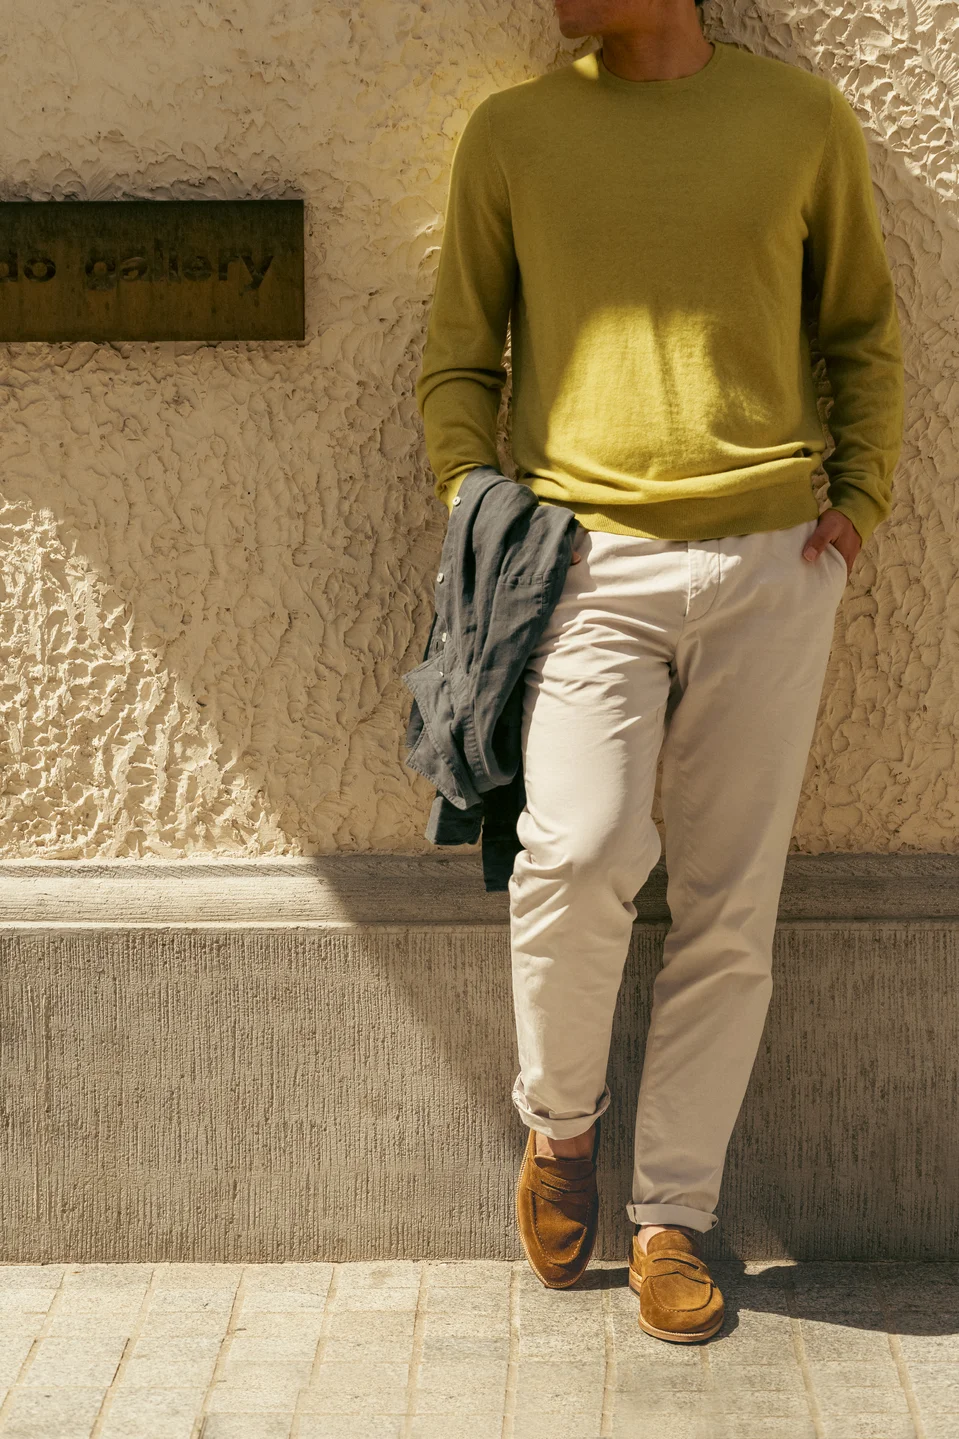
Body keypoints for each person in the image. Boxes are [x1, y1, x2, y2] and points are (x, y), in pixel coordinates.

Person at [415, 0, 904, 1342]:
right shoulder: (513, 132)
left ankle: (670, 1217)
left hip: (768, 564)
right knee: (575, 849)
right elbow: (460, 353)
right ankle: (558, 1126)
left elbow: (859, 328)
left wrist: (854, 503)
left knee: (728, 902)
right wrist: (477, 500)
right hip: (584, 563)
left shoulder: (799, 123)